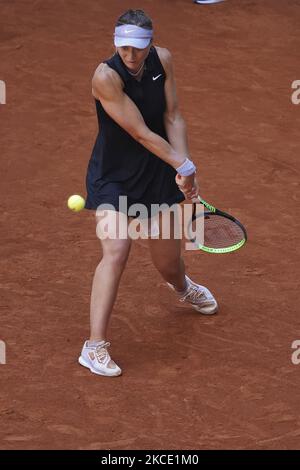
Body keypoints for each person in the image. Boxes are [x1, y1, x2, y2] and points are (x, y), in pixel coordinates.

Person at [79, 9, 218, 377]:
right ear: (115, 44)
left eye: (138, 48)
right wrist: (183, 166)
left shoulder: (164, 60)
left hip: (156, 174)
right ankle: (94, 347)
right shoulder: (105, 77)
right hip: (114, 178)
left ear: (150, 44)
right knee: (117, 248)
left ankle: (183, 287)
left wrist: (182, 167)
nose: (130, 55)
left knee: (168, 264)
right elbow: (140, 132)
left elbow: (172, 115)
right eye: (123, 47)